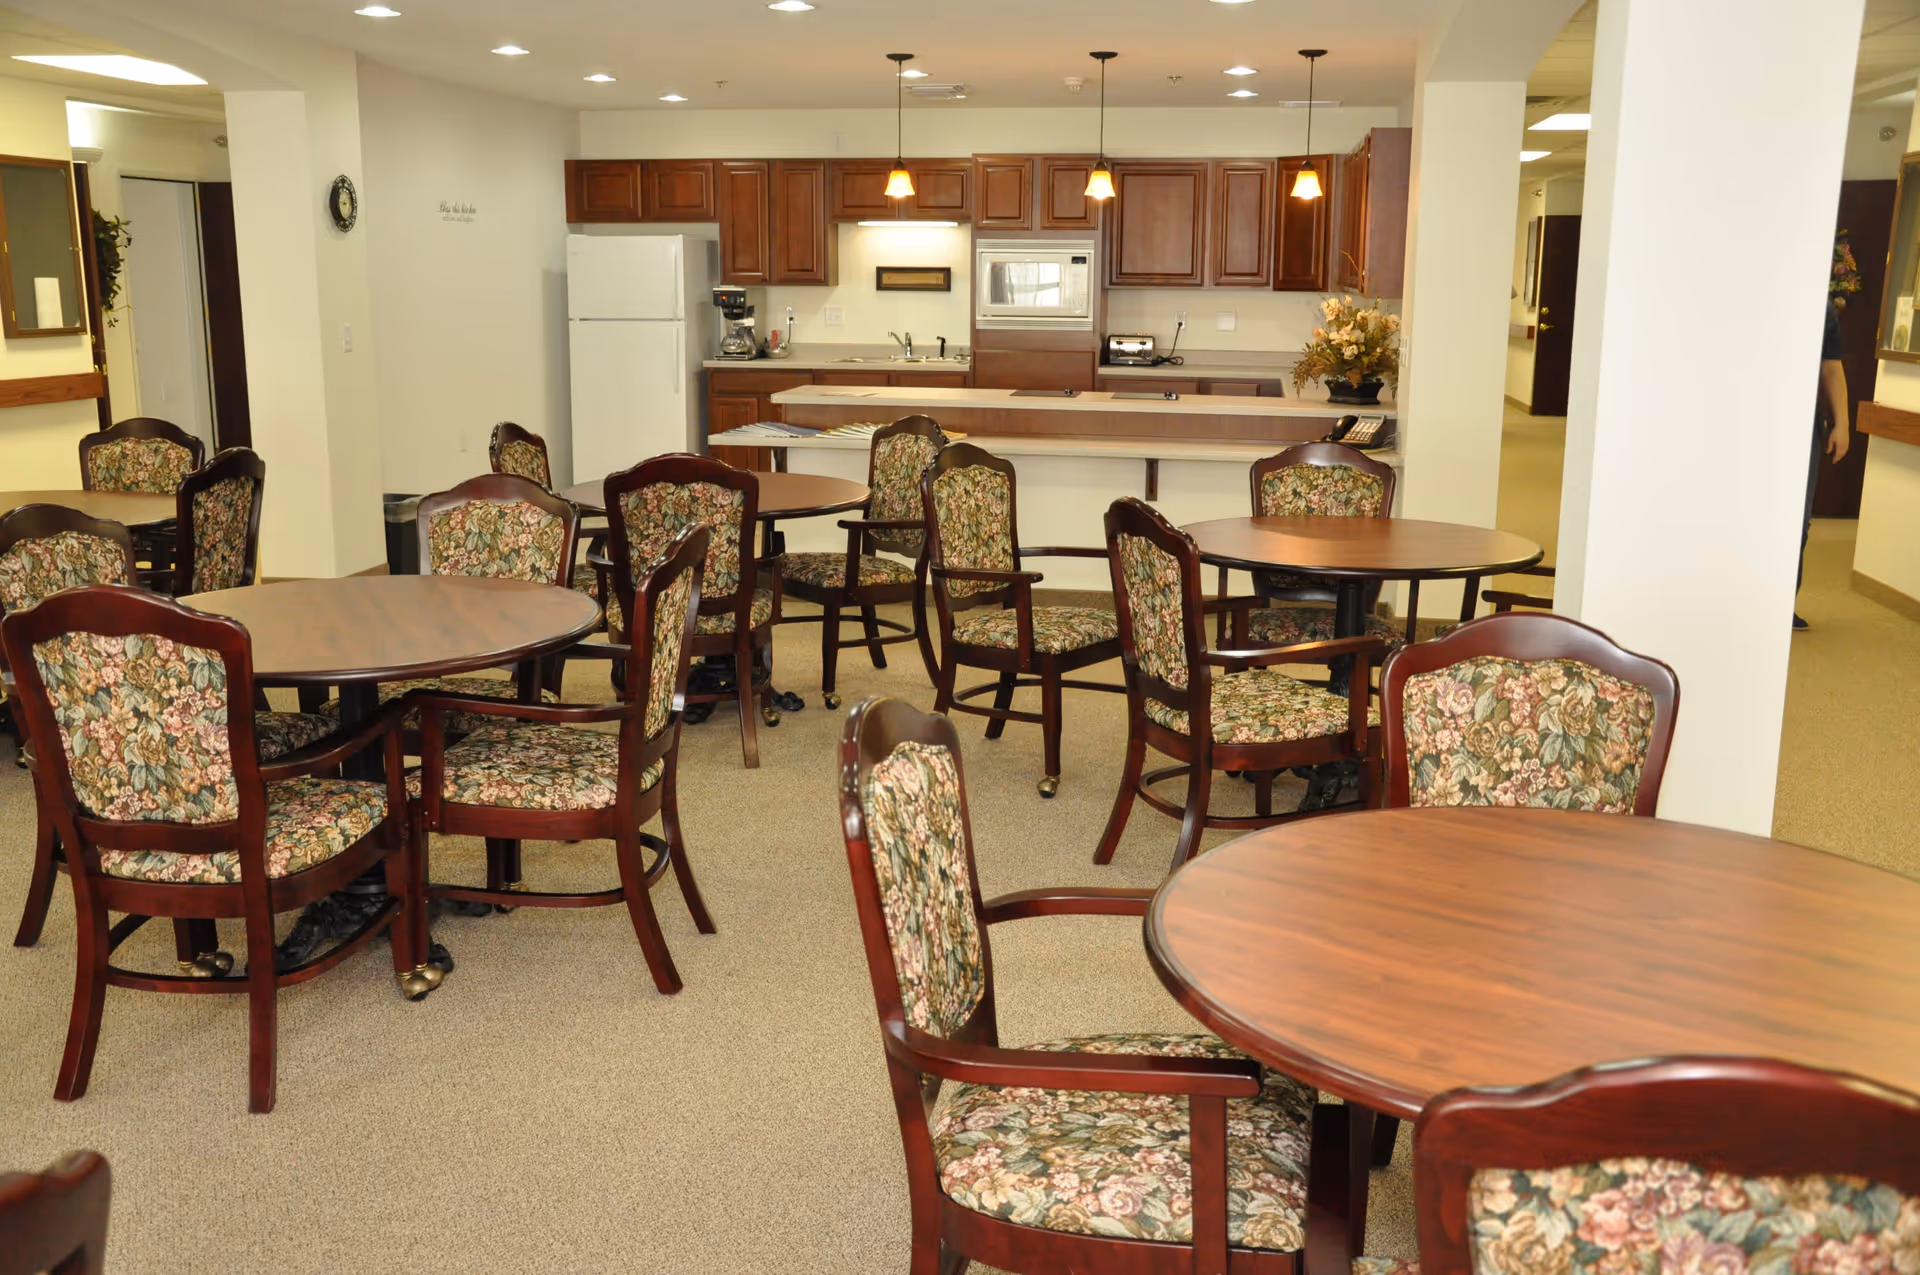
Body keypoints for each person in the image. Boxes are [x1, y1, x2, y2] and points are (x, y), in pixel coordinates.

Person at [1797, 300, 1853, 630]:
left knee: (1799, 520)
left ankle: (1783, 603)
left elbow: (1831, 368)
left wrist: (1842, 423)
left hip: (1806, 425)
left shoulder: (1825, 310)